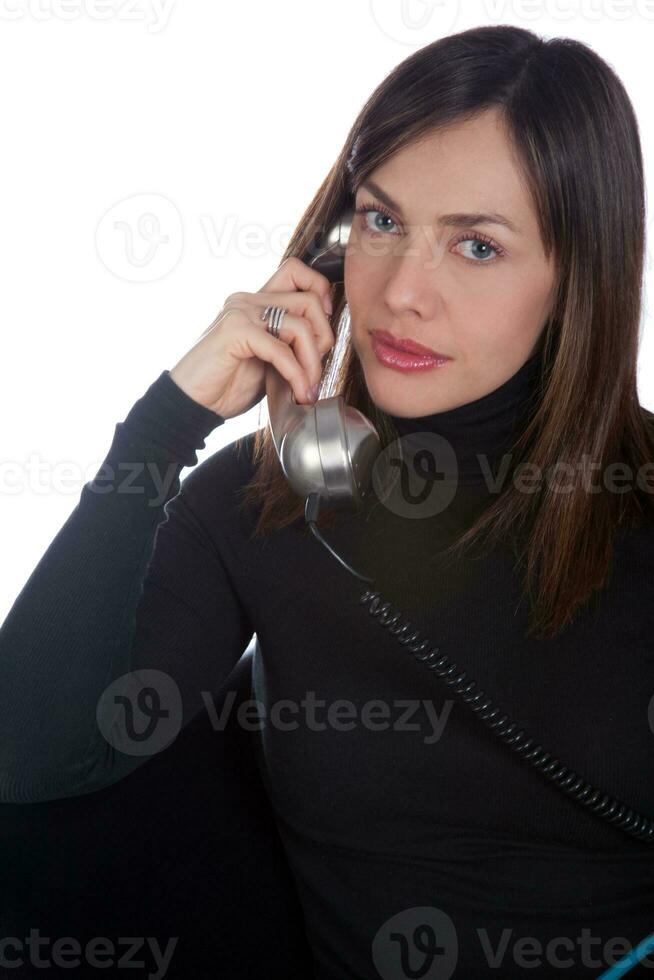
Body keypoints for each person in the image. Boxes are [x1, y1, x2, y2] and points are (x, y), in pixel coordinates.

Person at [2, 23, 654, 980]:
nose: (402, 294)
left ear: (575, 281)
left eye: (476, 245)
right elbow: (26, 751)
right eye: (382, 223)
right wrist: (165, 425)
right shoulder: (267, 502)